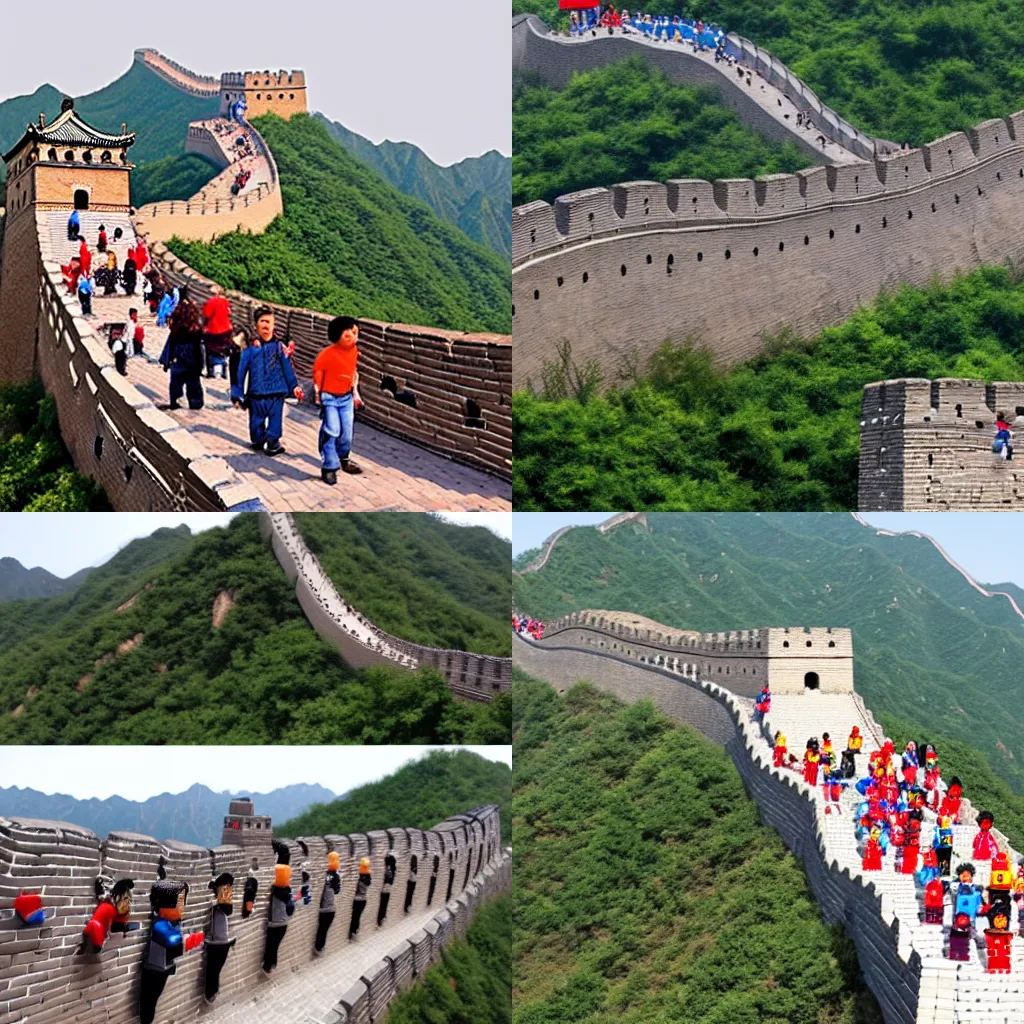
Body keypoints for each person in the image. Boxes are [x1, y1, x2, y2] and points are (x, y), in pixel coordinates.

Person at [232, 308, 303, 456]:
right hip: (256, 392)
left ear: (274, 325)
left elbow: (287, 369)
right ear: (256, 325)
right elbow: (241, 372)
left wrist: (294, 386)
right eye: (262, 321)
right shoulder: (250, 350)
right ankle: (258, 440)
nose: (266, 325)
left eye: (269, 322)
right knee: (256, 422)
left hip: (277, 391)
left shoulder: (279, 348)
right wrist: (237, 394)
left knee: (275, 419)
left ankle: (272, 443)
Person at [139, 881, 204, 1024]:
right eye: (178, 903)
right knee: (149, 1001)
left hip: (162, 968)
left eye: (182, 902)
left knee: (153, 1000)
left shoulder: (172, 923)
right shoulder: (160, 924)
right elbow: (171, 940)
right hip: (153, 970)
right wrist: (189, 940)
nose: (182, 908)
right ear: (164, 906)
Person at [313, 315, 364, 484]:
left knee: (346, 434)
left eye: (355, 334)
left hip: (346, 397)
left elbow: (353, 373)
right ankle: (329, 466)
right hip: (329, 398)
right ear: (337, 337)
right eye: (348, 335)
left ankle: (343, 458)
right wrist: (317, 392)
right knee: (332, 430)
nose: (353, 339)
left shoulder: (354, 352)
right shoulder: (327, 355)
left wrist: (356, 394)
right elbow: (318, 372)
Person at [158, 299, 205, 410]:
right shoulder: (196, 331)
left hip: (178, 358)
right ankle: (196, 403)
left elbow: (170, 345)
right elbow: (200, 349)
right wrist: (201, 365)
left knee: (176, 382)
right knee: (194, 383)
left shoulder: (176, 330)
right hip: (192, 359)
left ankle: (175, 402)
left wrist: (166, 360)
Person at [203, 873, 235, 1005]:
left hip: (218, 943)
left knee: (213, 971)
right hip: (220, 943)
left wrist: (221, 889)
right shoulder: (220, 904)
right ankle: (212, 991)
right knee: (214, 971)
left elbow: (227, 909)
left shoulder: (221, 905)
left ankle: (211, 992)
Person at [202, 288, 233, 379]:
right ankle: (224, 371)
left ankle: (210, 371)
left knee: (209, 349)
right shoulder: (226, 303)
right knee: (223, 349)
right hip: (227, 329)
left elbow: (207, 314)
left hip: (214, 329)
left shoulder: (212, 301)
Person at [314, 852, 342, 955]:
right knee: (324, 929)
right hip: (330, 907)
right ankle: (319, 948)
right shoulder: (336, 875)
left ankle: (318, 947)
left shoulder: (323, 874)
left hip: (321, 907)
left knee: (321, 928)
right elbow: (337, 891)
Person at [349, 857, 372, 940]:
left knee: (354, 917)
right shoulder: (368, 878)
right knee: (358, 917)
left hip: (357, 900)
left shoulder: (359, 877)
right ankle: (355, 932)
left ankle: (352, 932)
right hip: (363, 900)